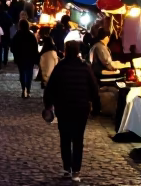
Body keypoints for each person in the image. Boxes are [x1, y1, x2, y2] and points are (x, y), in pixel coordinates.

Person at [43, 41, 101, 183]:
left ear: (65, 51)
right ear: (78, 51)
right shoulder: (85, 68)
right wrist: (96, 107)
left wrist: (48, 105)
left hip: (63, 108)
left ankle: (67, 167)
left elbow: (50, 88)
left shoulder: (60, 68)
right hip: (81, 108)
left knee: (65, 137)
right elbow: (94, 88)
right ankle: (76, 171)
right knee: (78, 139)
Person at [11, 19, 40, 98]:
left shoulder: (17, 35)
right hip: (30, 58)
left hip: (20, 58)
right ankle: (28, 89)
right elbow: (35, 47)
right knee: (29, 74)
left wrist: (15, 55)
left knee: (22, 73)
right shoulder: (31, 36)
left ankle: (23, 89)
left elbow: (12, 47)